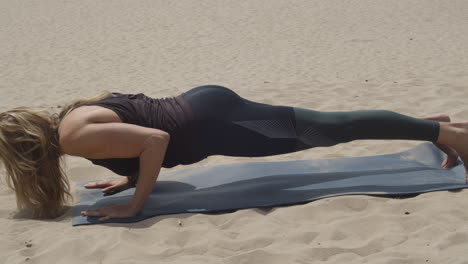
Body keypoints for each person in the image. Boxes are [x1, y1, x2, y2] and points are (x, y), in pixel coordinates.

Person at [0, 85, 466, 222]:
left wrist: (135, 204)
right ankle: (440, 128)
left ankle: (448, 135)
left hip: (217, 123)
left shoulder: (76, 139)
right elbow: (139, 135)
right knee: (330, 127)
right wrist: (127, 178)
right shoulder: (71, 119)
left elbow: (155, 141)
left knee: (332, 129)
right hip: (206, 109)